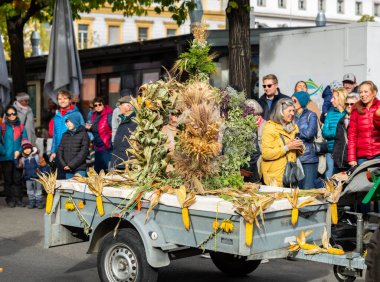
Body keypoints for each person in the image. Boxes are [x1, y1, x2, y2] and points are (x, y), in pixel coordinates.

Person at [261, 98, 304, 187]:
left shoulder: (294, 127)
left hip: (291, 175)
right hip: (275, 177)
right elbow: (266, 154)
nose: (292, 113)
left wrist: (299, 146)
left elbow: (299, 151)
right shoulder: (270, 127)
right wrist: (287, 147)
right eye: (289, 111)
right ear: (280, 112)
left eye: (293, 110)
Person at [50, 90, 84, 179]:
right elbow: (55, 135)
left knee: (70, 180)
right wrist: (53, 151)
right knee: (60, 180)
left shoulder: (76, 114)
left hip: (72, 151)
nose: (62, 101)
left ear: (70, 100)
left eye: (65, 98)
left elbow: (83, 132)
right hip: (59, 152)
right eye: (60, 99)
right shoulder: (57, 116)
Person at [0, 106, 28, 207]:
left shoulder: (21, 126)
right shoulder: (2, 126)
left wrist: (20, 151)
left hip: (17, 157)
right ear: (6, 116)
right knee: (8, 180)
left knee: (17, 179)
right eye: (9, 114)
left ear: (16, 114)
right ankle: (10, 199)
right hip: (5, 158)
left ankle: (18, 199)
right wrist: (3, 152)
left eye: (13, 113)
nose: (12, 116)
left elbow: (25, 141)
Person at [348, 81, 380, 166]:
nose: (362, 94)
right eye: (360, 92)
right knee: (363, 179)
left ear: (374, 93)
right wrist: (352, 158)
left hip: (378, 154)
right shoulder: (355, 110)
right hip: (362, 157)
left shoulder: (379, 107)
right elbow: (352, 136)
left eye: (366, 91)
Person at [292, 91, 319, 189]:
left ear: (301, 101)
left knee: (308, 189)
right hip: (295, 158)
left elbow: (309, 133)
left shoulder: (311, 115)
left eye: (294, 100)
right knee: (297, 190)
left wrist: (294, 133)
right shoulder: (291, 116)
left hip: (308, 158)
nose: (292, 102)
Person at [14, 139, 48, 209]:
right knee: (29, 191)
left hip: (37, 178)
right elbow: (18, 166)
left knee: (38, 191)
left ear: (31, 148)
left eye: (28, 148)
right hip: (28, 178)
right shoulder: (22, 159)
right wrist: (15, 158)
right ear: (23, 150)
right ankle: (32, 202)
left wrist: (44, 175)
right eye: (25, 149)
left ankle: (39, 202)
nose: (27, 150)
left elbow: (44, 165)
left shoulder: (37, 157)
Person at [322, 87, 348, 179]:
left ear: (341, 98)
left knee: (344, 177)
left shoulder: (348, 112)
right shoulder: (330, 113)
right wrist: (339, 132)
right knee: (329, 177)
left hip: (345, 151)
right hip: (331, 151)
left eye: (334, 98)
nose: (331, 100)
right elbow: (325, 132)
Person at [332, 93, 360, 171]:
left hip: (353, 163)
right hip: (339, 163)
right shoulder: (341, 120)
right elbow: (338, 141)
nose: (349, 106)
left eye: (352, 104)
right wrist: (335, 155)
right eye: (347, 104)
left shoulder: (360, 120)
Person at [57, 112, 89, 179]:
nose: (68, 124)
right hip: (67, 169)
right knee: (69, 188)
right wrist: (64, 165)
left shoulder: (83, 134)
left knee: (78, 188)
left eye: (70, 122)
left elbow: (83, 153)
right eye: (67, 122)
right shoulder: (65, 135)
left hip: (79, 168)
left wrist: (71, 165)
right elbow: (60, 151)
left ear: (75, 121)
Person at [86, 97, 113, 173]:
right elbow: (97, 129)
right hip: (97, 147)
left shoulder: (109, 115)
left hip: (106, 146)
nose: (98, 107)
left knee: (106, 171)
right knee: (97, 171)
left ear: (103, 104)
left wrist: (110, 141)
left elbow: (113, 129)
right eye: (95, 105)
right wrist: (90, 128)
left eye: (100, 104)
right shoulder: (94, 115)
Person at [240, 99, 264, 183]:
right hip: (248, 171)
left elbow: (256, 151)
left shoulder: (264, 125)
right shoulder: (243, 127)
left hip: (256, 168)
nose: (254, 117)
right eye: (250, 114)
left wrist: (246, 169)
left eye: (256, 114)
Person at [111, 96, 137, 170]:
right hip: (119, 161)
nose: (119, 107)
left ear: (128, 107)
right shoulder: (124, 119)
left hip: (126, 164)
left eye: (121, 104)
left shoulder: (134, 122)